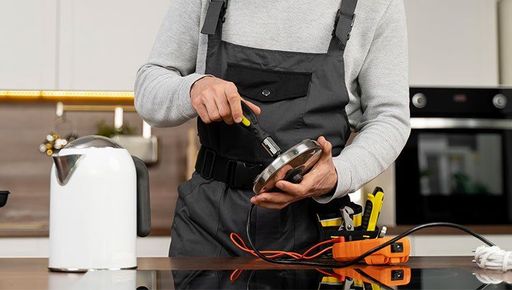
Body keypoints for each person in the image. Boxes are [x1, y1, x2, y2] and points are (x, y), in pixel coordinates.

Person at [135, 0, 410, 257]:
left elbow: (389, 118)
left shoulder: (375, 4)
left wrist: (338, 174)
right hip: (207, 226)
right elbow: (149, 88)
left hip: (316, 232)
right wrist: (194, 87)